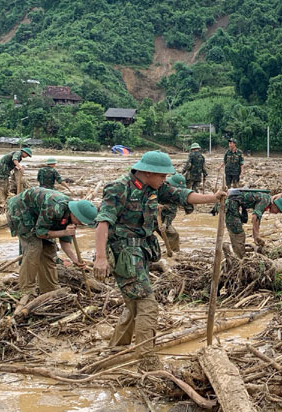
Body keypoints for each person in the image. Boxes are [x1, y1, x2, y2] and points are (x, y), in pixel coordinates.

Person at [94, 151, 224, 354]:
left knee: (134, 302)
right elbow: (103, 222)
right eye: (162, 176)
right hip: (124, 253)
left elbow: (182, 195)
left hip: (142, 252)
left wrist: (213, 198)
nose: (164, 180)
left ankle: (117, 349)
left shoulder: (155, 187)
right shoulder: (119, 188)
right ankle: (146, 358)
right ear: (147, 173)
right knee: (147, 304)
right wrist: (100, 258)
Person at [6, 187, 97, 296]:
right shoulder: (54, 208)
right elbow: (40, 233)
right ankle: (27, 290)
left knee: (49, 249)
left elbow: (65, 243)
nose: (81, 224)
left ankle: (49, 288)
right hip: (21, 210)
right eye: (81, 221)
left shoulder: (71, 219)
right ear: (75, 214)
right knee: (34, 247)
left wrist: (74, 259)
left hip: (40, 217)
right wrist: (64, 232)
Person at [224, 189, 282, 257]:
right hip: (231, 202)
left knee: (239, 233)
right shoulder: (266, 200)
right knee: (238, 233)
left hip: (234, 202)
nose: (276, 213)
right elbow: (255, 217)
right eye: (278, 211)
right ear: (275, 205)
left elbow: (257, 219)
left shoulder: (267, 201)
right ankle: (240, 259)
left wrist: (256, 237)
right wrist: (256, 235)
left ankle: (238, 254)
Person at [160, 173, 194, 253]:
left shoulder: (174, 195)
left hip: (161, 218)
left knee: (174, 235)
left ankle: (174, 254)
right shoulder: (159, 186)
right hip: (146, 217)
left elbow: (171, 212)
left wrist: (165, 223)